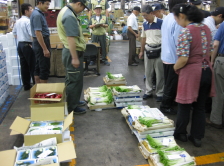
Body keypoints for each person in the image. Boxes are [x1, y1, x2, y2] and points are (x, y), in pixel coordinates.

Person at [172, 4, 215, 147]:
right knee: (200, 107)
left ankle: (181, 133)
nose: (176, 20)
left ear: (182, 16)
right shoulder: (207, 29)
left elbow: (183, 58)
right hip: (206, 71)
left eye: (176, 17)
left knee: (184, 104)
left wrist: (175, 67)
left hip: (191, 73)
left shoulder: (186, 32)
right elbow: (209, 51)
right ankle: (197, 137)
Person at [57, 0, 88, 114]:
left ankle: (73, 100)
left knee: (73, 79)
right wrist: (74, 57)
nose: (83, 10)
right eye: (83, 8)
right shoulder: (69, 16)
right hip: (72, 53)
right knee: (74, 80)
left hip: (71, 52)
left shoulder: (66, 11)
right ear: (79, 3)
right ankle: (71, 107)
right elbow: (71, 38)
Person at [160, 0, 187, 115]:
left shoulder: (167, 17)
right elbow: (179, 41)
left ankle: (169, 102)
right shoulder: (177, 20)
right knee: (171, 83)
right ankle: (165, 105)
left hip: (166, 55)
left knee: (169, 82)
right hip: (174, 57)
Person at [139, 5, 164, 102]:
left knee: (159, 73)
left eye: (146, 15)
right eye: (143, 16)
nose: (145, 18)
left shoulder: (161, 23)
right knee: (148, 72)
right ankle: (148, 91)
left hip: (159, 50)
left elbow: (166, 38)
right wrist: (141, 51)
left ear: (152, 13)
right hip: (148, 50)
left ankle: (160, 93)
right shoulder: (145, 24)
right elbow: (143, 38)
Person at [13, 3, 35, 91]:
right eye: (31, 9)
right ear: (26, 11)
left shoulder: (17, 21)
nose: (32, 11)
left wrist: (21, 38)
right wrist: (32, 44)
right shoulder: (28, 21)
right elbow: (32, 35)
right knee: (32, 65)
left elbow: (14, 34)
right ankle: (36, 85)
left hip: (20, 45)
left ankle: (26, 85)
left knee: (24, 66)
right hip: (27, 45)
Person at [206, 21, 224, 129]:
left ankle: (216, 120)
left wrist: (212, 61)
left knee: (219, 91)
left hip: (222, 61)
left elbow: (216, 44)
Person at [30, 0, 51, 84]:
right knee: (44, 67)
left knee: (38, 67)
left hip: (38, 42)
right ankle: (43, 92)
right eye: (46, 4)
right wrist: (45, 49)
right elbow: (38, 32)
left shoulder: (37, 13)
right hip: (41, 42)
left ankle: (38, 90)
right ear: (40, 3)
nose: (48, 6)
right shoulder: (37, 15)